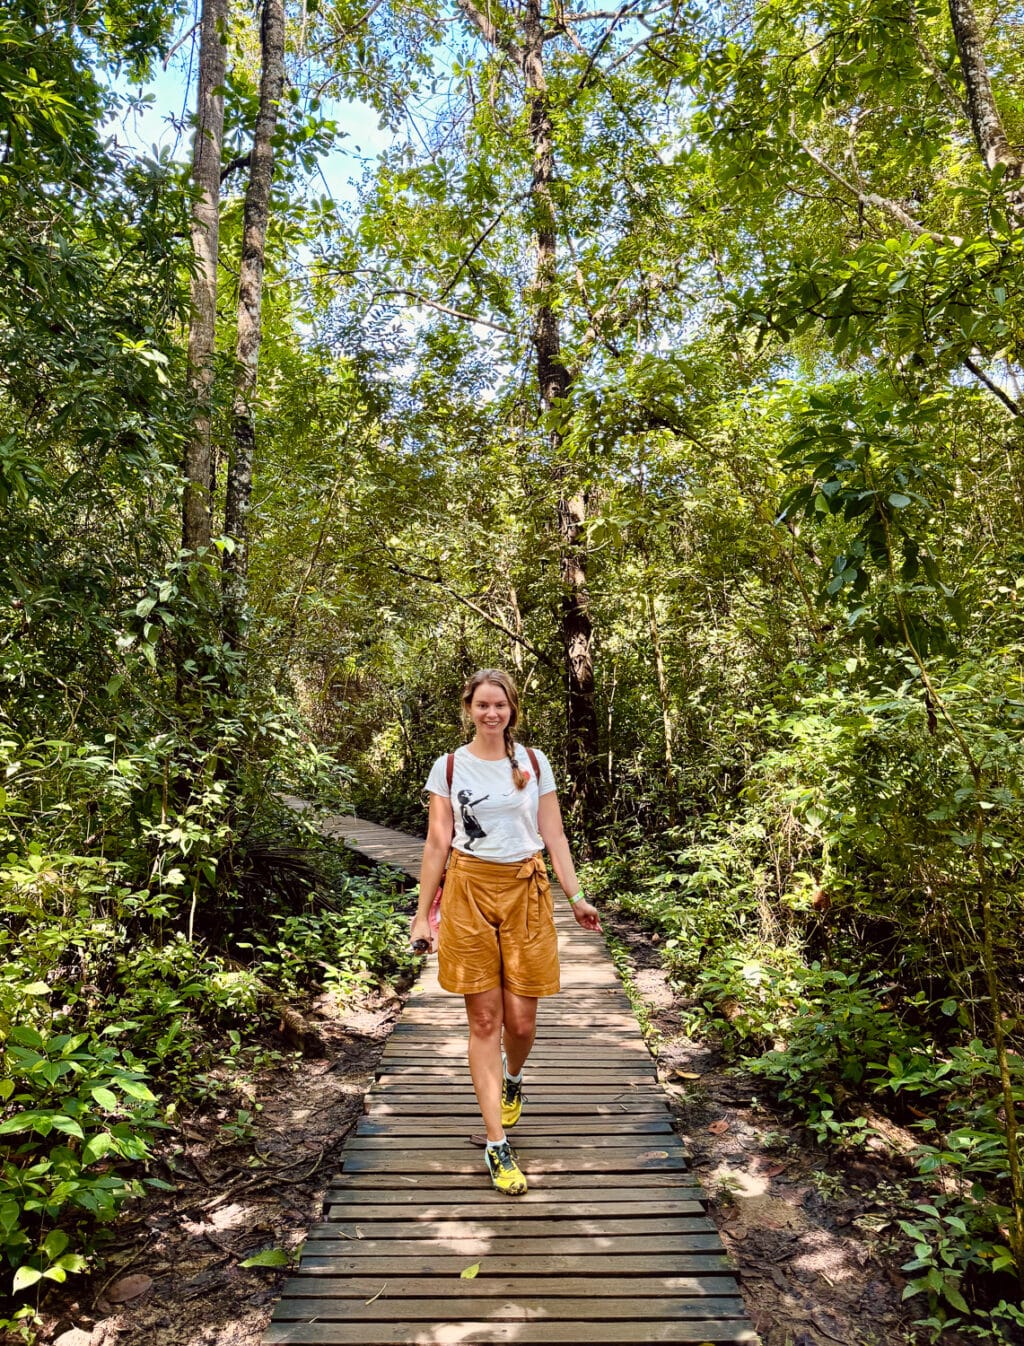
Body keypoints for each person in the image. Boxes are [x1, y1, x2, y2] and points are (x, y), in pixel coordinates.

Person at [409, 668, 602, 1196]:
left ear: (512, 709)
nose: (491, 713)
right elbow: (435, 844)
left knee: (521, 1021)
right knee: (485, 1019)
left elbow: (553, 831)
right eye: (482, 705)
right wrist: (423, 914)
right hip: (469, 888)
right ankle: (497, 1144)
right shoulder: (449, 767)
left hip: (526, 887)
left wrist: (576, 895)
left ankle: (513, 1079)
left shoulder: (534, 762)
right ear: (468, 708)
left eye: (500, 705)